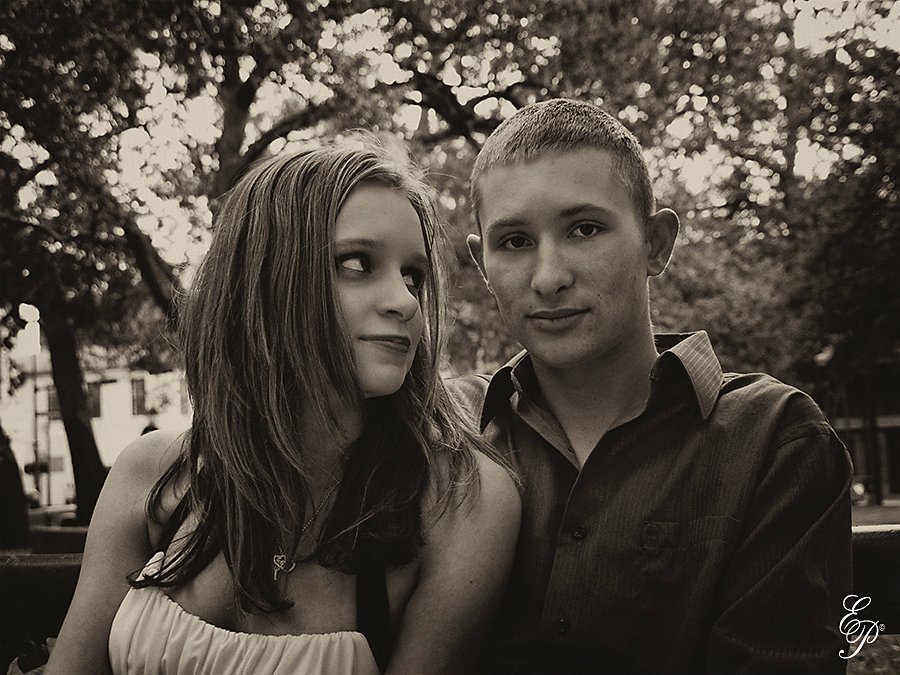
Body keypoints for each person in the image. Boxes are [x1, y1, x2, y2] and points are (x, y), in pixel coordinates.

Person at [46, 145, 520, 675]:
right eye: (357, 264)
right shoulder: (153, 473)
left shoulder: (459, 502)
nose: (406, 302)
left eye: (413, 276)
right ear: (266, 277)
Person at [452, 98, 853, 674]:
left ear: (657, 243)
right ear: (482, 263)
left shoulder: (773, 439)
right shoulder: (448, 430)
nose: (549, 278)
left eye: (584, 229)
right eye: (514, 241)